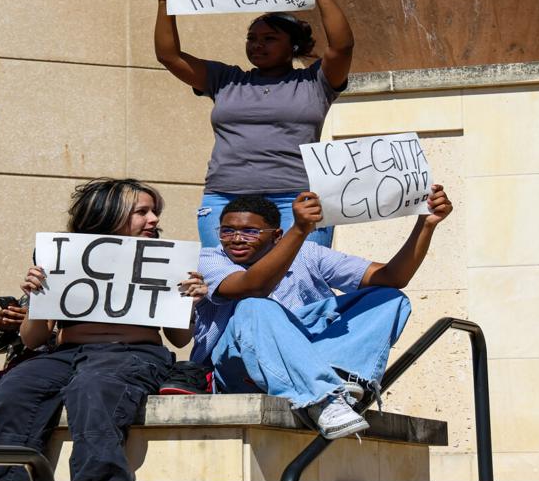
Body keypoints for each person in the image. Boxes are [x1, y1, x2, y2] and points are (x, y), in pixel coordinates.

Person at [0, 178, 203, 481]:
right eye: (142, 211)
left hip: (131, 355)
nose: (154, 219)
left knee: (94, 389)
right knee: (13, 391)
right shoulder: (64, 255)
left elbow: (179, 339)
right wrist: (39, 297)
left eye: (154, 211)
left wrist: (188, 303)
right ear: (108, 213)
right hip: (62, 356)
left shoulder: (164, 258)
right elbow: (33, 339)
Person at [194, 185, 452, 440]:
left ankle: (336, 376)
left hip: (308, 354)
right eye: (227, 231)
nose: (237, 239)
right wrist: (301, 229)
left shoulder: (308, 253)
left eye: (250, 231)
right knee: (254, 306)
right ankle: (322, 396)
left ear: (276, 236)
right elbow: (254, 286)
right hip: (238, 369)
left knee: (389, 298)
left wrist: (426, 225)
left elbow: (393, 276)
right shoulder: (210, 259)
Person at [150, 0, 355, 249]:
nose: (258, 44)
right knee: (227, 281)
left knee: (300, 281)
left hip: (296, 200)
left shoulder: (315, 82)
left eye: (269, 38)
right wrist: (165, 3)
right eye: (252, 38)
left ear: (293, 46)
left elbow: (342, 47)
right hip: (226, 198)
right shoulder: (225, 79)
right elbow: (169, 56)